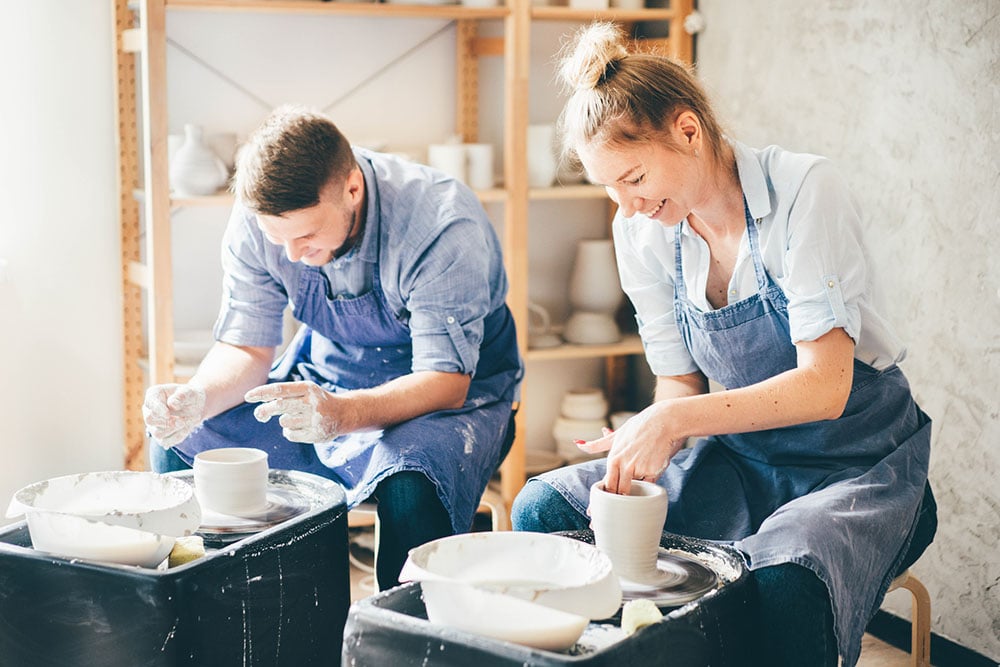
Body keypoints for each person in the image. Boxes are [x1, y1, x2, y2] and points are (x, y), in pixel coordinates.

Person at [511, 23, 936, 667]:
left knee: (785, 580)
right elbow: (678, 383)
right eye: (609, 189)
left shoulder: (803, 192)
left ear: (689, 130)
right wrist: (643, 457)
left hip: (855, 463)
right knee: (543, 507)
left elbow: (826, 387)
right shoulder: (645, 230)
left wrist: (674, 420)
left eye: (632, 177)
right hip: (738, 459)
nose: (625, 207)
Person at [143, 106, 522, 590]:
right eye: (276, 238)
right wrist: (196, 396)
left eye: (306, 235)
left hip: (450, 395)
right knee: (180, 439)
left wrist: (341, 415)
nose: (292, 255)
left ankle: (398, 636)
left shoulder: (441, 225)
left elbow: (445, 380)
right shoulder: (260, 216)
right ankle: (230, 617)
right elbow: (247, 346)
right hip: (326, 374)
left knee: (410, 480)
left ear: (352, 188)